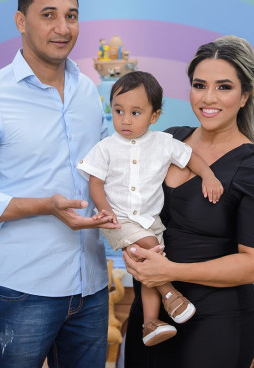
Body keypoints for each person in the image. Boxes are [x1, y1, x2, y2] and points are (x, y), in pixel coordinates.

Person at [0, 0, 118, 368]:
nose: (63, 28)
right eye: (48, 15)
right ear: (21, 21)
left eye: (71, 16)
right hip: (22, 290)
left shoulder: (87, 92)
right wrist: (43, 205)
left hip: (92, 287)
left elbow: (105, 171)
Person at [123, 35, 254, 367]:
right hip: (150, 317)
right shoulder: (169, 139)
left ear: (245, 96)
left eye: (223, 87)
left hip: (217, 321)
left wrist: (169, 270)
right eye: (199, 85)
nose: (208, 98)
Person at [76, 71, 224, 347]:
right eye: (118, 111)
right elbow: (95, 184)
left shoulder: (164, 143)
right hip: (118, 220)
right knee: (150, 252)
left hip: (151, 222)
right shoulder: (105, 148)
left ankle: (150, 324)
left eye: (135, 113)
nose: (125, 120)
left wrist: (209, 176)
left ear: (154, 116)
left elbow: (191, 157)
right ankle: (171, 296)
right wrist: (105, 210)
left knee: (150, 269)